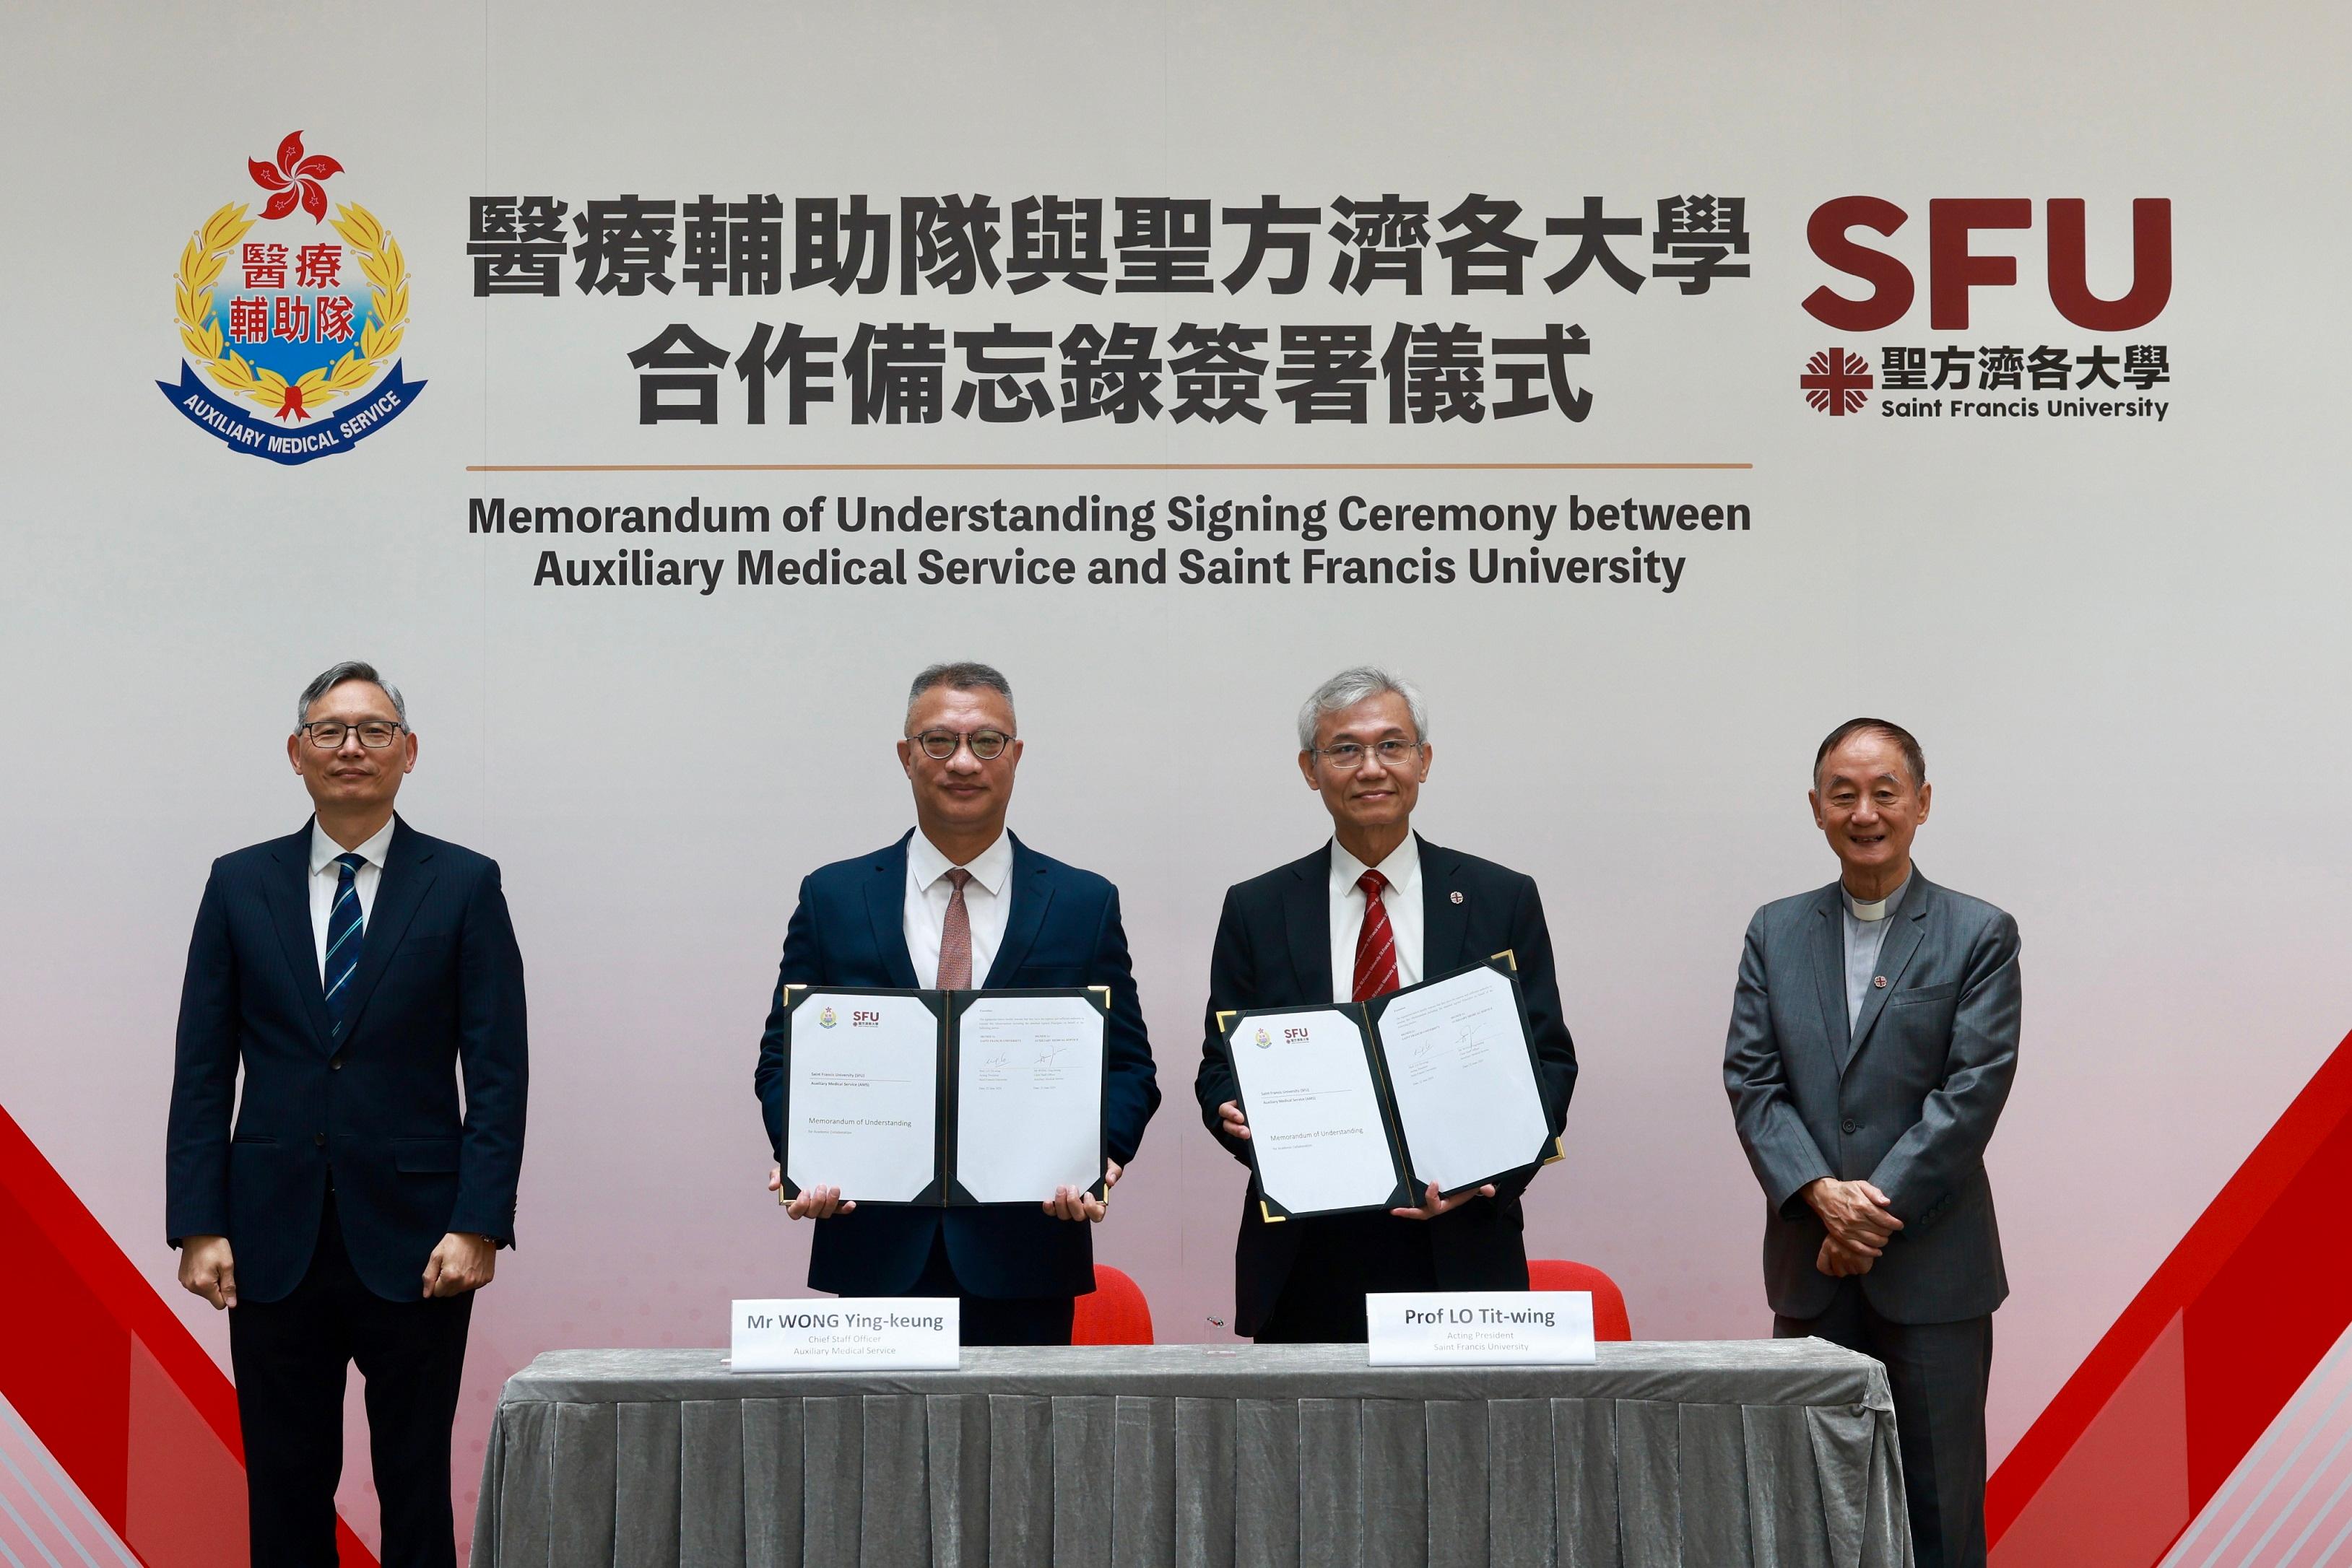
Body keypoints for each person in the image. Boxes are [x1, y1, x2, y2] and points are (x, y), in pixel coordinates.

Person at [166, 661, 527, 1568]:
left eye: (372, 730)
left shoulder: (464, 883)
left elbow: (497, 1069)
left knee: (414, 1478)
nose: (350, 748)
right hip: (269, 1233)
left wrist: (479, 1221)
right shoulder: (237, 882)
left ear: (408, 752)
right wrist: (198, 1223)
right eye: (329, 731)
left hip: (419, 1241)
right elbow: (203, 1068)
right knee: (285, 1485)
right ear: (296, 753)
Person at [755, 661, 1160, 1345]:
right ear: (906, 756)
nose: (963, 762)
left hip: (1028, 1252)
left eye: (987, 742)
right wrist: (808, 1155)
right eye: (938, 742)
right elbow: (782, 1060)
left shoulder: (1083, 903)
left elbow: (1127, 1068)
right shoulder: (833, 897)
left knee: (1025, 1454)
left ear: (1016, 755)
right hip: (873, 1248)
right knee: (872, 1453)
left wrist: (1099, 1156)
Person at [1193, 666, 1577, 1342]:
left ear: (1424, 762)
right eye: (1345, 749)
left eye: (1391, 746)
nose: (1371, 767)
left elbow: (1547, 1061)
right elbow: (1219, 1067)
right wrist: (1232, 1110)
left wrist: (1485, 1178)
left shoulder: (1499, 898)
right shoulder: (1256, 908)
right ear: (1311, 770)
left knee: (1468, 1450)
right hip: (1308, 1253)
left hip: (1462, 1245)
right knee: (1303, 1447)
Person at [1722, 718, 2020, 1568]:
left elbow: (1971, 1091)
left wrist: (1866, 1216)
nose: (1863, 812)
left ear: (1920, 804)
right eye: (1841, 794)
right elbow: (1752, 1081)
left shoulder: (1978, 932)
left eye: (1883, 792)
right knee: (1811, 1510)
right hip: (1810, 1271)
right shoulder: (1773, 931)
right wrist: (1821, 1196)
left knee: (1937, 1511)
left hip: (1932, 1273)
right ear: (1814, 808)